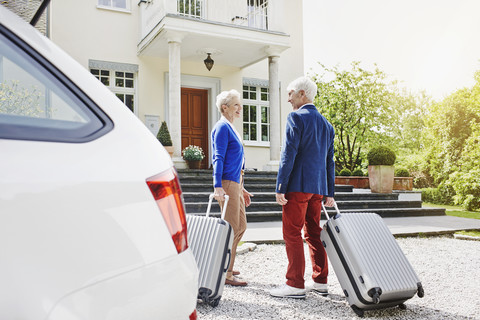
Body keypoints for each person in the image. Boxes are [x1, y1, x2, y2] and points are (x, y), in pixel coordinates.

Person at [269, 76, 336, 299]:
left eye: (290, 94)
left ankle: (295, 284)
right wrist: (329, 192)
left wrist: (280, 186)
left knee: (292, 233)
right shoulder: (327, 124)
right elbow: (329, 161)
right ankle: (320, 281)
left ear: (302, 94)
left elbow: (289, 154)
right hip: (317, 189)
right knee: (314, 233)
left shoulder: (296, 118)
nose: (288, 99)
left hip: (297, 187)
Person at [211, 89, 253, 287]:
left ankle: (227, 263)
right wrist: (217, 185)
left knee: (241, 226)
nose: (240, 108)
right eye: (236, 104)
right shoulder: (222, 127)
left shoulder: (231, 127)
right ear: (224, 108)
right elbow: (218, 157)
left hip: (236, 183)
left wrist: (242, 188)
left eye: (240, 104)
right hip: (227, 183)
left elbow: (237, 161)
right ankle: (226, 273)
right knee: (231, 228)